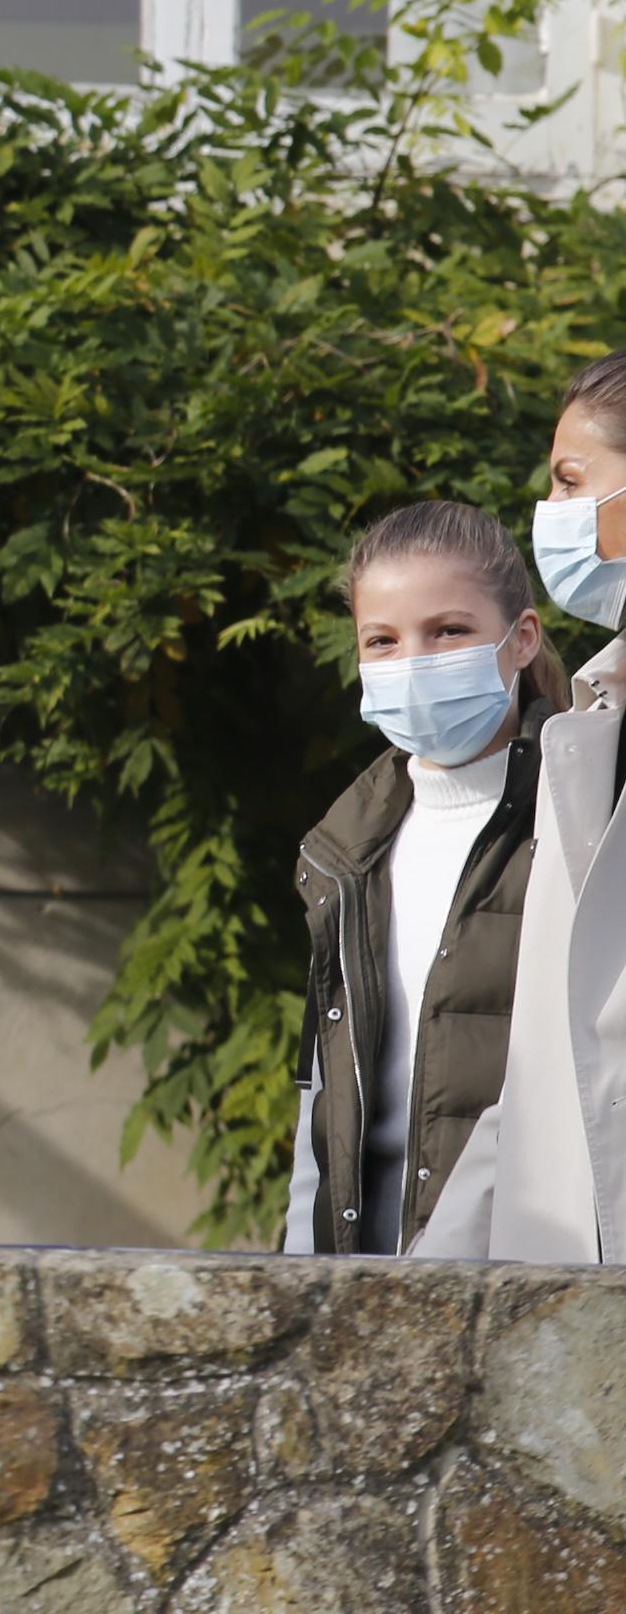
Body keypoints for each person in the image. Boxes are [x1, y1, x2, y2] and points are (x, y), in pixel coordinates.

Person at [278, 502, 556, 1255]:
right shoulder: (344, 852)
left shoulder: (577, 822)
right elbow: (322, 1103)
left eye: (449, 631)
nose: (417, 662)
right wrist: (304, 1281)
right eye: (383, 641)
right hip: (365, 1288)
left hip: (525, 1276)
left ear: (521, 638)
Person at [415, 356, 626, 1258]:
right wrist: (427, 1284)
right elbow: (541, 1073)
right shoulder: (588, 733)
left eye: (573, 482)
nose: (554, 512)